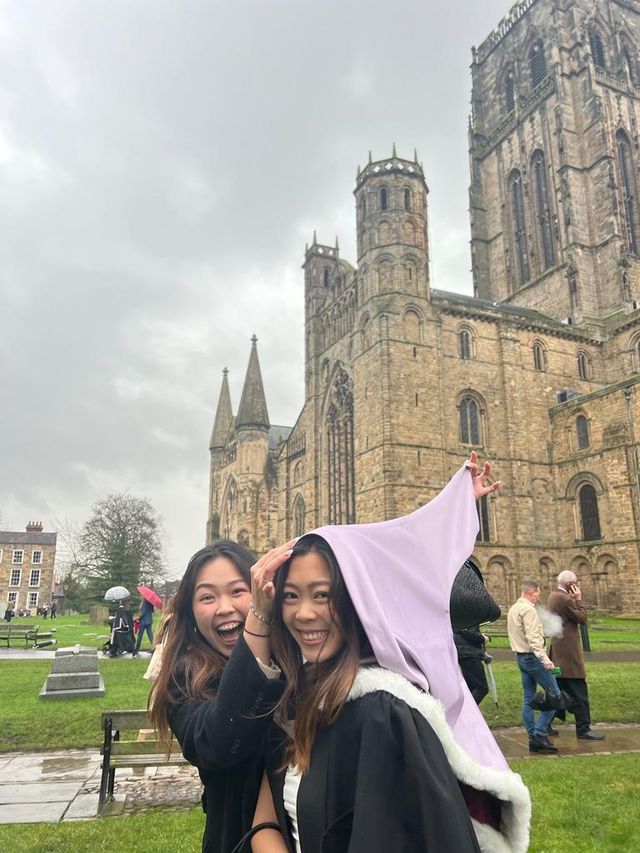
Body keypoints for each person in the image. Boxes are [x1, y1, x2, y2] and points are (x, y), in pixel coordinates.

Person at [252, 457, 531, 853]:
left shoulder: (383, 715)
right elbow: (269, 819)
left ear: (355, 602)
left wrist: (457, 505)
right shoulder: (302, 694)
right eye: (291, 596)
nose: (304, 613)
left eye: (322, 595)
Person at [149, 540, 292, 853]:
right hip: (236, 839)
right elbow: (219, 743)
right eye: (208, 597)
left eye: (238, 591)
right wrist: (257, 622)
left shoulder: (294, 661)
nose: (225, 607)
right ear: (191, 611)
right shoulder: (184, 678)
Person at [547, 570, 604, 741]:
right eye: (576, 582)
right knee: (579, 690)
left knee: (558, 687)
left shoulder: (553, 596)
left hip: (557, 653)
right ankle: (583, 728)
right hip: (569, 654)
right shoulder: (565, 599)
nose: (578, 585)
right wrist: (578, 598)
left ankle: (546, 724)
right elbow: (582, 617)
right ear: (569, 584)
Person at [507, 580, 560, 753]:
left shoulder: (514, 608)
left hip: (521, 658)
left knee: (529, 698)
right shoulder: (528, 610)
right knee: (556, 696)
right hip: (533, 658)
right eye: (537, 593)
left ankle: (532, 737)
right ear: (531, 592)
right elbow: (533, 638)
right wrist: (545, 659)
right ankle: (539, 734)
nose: (538, 596)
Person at [454, 626, 490, 705]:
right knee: (481, 688)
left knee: (471, 688)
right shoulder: (467, 616)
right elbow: (468, 632)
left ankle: (467, 712)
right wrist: (483, 638)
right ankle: (467, 712)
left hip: (465, 653)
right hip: (469, 655)